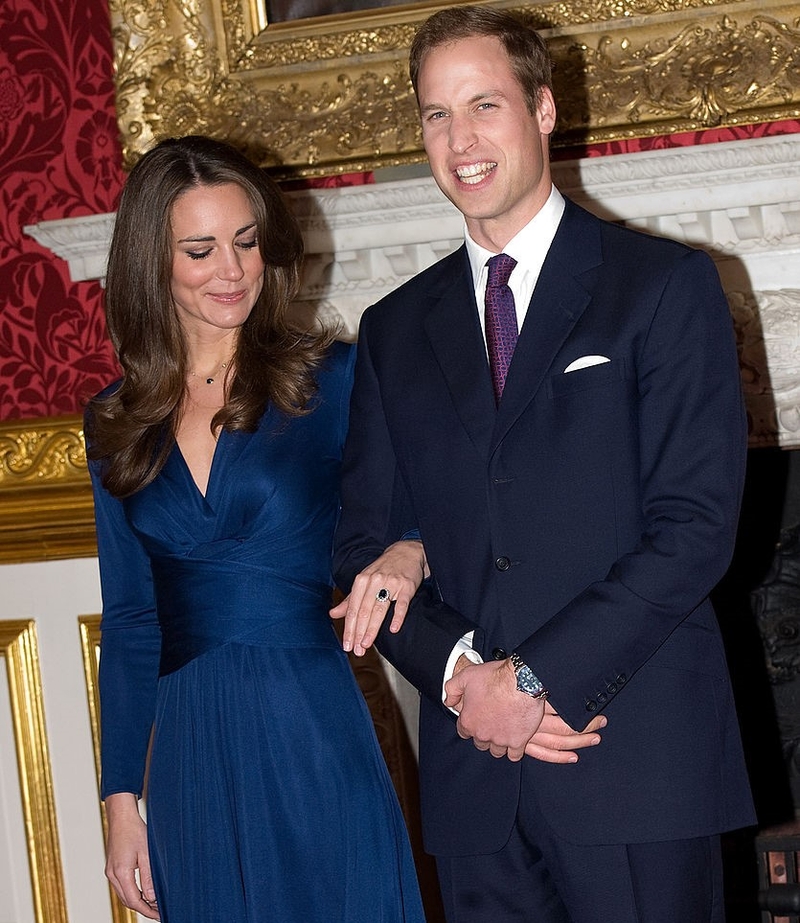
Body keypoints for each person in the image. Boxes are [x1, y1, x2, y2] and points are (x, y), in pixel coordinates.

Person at [332, 6, 757, 922]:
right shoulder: (393, 331)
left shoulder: (664, 286)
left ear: (545, 110)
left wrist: (531, 680)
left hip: (632, 758)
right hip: (477, 779)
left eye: (484, 104)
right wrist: (460, 677)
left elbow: (695, 529)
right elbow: (362, 549)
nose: (461, 139)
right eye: (436, 114)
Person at [84, 134, 428, 923]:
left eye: (245, 242)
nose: (232, 271)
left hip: (310, 721)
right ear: (153, 262)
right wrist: (120, 800)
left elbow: (431, 504)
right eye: (200, 250)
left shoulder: (332, 378)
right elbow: (133, 617)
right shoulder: (114, 421)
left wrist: (410, 547)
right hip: (187, 751)